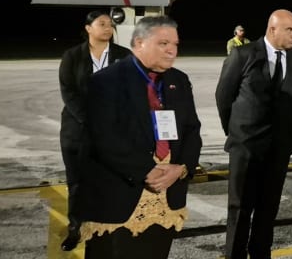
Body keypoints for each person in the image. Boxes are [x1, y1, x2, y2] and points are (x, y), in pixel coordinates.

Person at [78, 16, 201, 259]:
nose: (171, 50)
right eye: (163, 43)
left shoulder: (179, 80)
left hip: (167, 194)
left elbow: (191, 130)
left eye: (175, 44)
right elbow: (103, 138)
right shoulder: (106, 81)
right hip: (121, 196)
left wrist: (182, 167)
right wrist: (147, 170)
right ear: (138, 43)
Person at [216, 9, 292, 259]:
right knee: (240, 208)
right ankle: (234, 254)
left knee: (269, 208)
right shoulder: (243, 54)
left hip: (278, 148)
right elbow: (224, 97)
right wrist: (235, 133)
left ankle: (260, 254)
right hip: (245, 147)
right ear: (272, 29)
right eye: (289, 29)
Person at [58, 10, 133, 251]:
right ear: (88, 28)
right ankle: (75, 228)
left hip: (112, 131)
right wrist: (91, 120)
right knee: (78, 182)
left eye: (110, 25)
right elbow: (68, 91)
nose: (108, 28)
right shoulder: (72, 56)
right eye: (102, 24)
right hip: (78, 131)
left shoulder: (124, 56)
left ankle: (109, 227)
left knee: (111, 181)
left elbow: (131, 91)